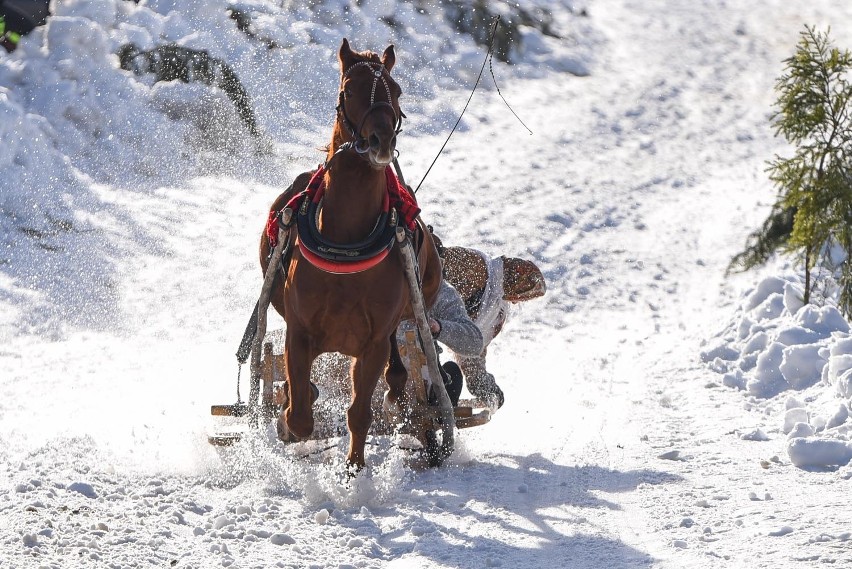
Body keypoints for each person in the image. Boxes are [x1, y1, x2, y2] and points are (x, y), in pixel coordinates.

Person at [436, 236, 547, 409]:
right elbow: (435, 262)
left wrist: (482, 384)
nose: (517, 301)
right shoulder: (476, 265)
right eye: (523, 291)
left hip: (432, 331)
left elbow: (472, 352)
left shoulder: (495, 312)